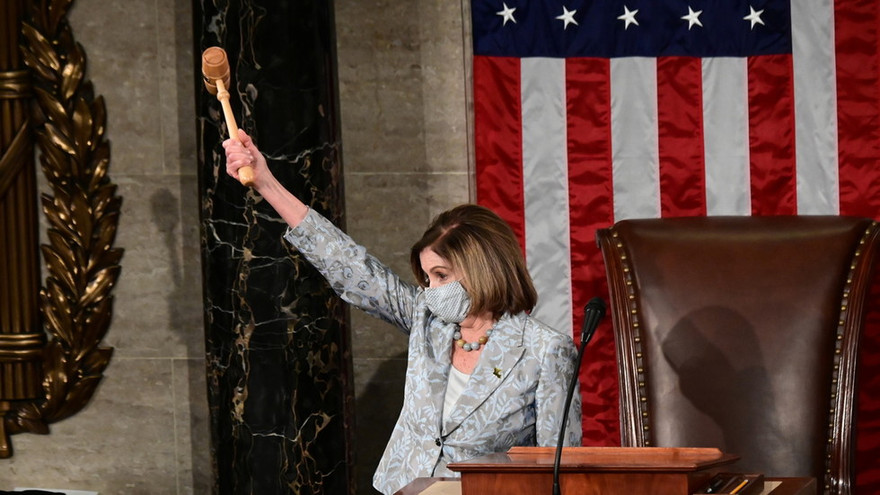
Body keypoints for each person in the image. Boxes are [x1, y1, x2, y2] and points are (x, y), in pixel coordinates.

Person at [224, 131, 582, 495]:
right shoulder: (427, 319)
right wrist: (266, 182)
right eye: (426, 278)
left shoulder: (545, 350)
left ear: (482, 268)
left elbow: (560, 466)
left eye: (441, 276)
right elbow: (349, 265)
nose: (430, 290)